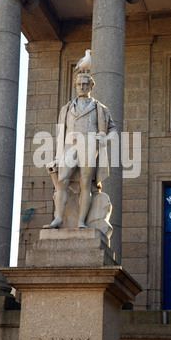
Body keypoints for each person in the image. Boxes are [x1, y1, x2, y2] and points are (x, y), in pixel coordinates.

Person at [43, 72, 117, 229]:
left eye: (85, 84)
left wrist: (106, 139)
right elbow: (60, 134)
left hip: (89, 146)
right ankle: (58, 219)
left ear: (91, 86)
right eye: (79, 84)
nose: (82, 87)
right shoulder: (66, 108)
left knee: (85, 183)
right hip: (70, 148)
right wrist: (57, 156)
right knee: (62, 181)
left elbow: (113, 131)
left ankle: (81, 221)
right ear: (75, 86)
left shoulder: (100, 108)